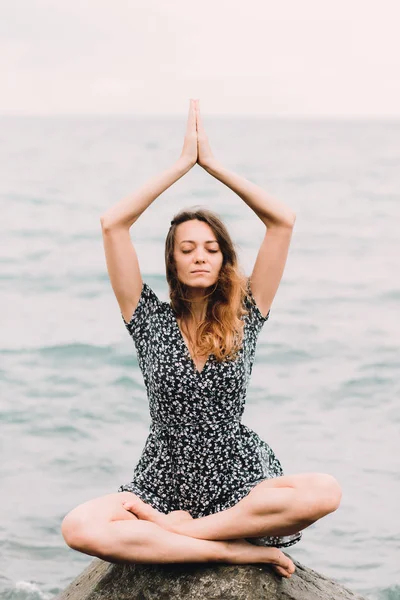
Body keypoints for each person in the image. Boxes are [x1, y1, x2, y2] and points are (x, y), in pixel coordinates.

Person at [61, 99, 342, 579]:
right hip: (162, 477)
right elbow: (113, 223)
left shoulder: (247, 311)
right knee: (79, 528)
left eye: (211, 248)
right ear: (172, 260)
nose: (199, 256)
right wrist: (178, 165)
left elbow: (282, 220)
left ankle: (189, 535)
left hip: (236, 475)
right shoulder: (146, 317)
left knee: (326, 491)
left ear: (224, 258)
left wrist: (210, 165)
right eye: (186, 248)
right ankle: (229, 550)